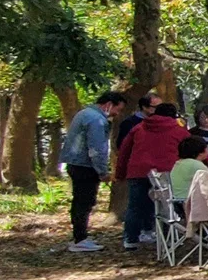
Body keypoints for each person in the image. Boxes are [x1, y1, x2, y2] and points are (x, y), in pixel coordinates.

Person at [114, 102, 191, 251]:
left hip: (138, 171)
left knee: (135, 206)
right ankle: (169, 239)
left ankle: (130, 239)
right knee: (167, 205)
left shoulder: (139, 128)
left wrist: (120, 173)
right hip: (166, 172)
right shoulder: (178, 130)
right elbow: (193, 147)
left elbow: (124, 151)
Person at [60, 91, 128, 252]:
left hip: (75, 163)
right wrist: (103, 171)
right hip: (85, 167)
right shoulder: (97, 120)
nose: (116, 114)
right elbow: (97, 149)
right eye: (117, 109)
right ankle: (80, 238)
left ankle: (80, 236)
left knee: (79, 201)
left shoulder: (83, 114)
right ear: (108, 104)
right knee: (84, 202)